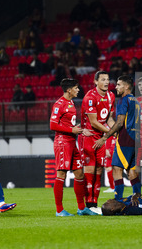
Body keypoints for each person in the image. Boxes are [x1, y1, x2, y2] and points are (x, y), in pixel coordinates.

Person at [50, 78, 97, 217]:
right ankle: (59, 210)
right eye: (76, 88)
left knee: (79, 174)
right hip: (62, 142)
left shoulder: (70, 103)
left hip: (72, 142)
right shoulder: (59, 104)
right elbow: (53, 125)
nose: (78, 90)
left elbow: (69, 125)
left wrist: (81, 130)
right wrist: (72, 131)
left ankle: (81, 208)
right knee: (61, 175)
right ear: (69, 90)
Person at [94, 75, 141, 202]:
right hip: (135, 139)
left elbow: (120, 122)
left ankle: (118, 200)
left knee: (116, 169)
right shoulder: (136, 101)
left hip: (125, 139)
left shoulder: (123, 100)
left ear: (126, 86)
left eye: (119, 84)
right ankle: (138, 196)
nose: (116, 87)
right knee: (131, 171)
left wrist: (106, 137)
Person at [79, 71, 116, 214]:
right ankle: (87, 205)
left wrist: (116, 129)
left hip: (101, 137)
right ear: (95, 82)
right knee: (89, 171)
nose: (106, 82)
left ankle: (94, 203)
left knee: (99, 171)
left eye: (108, 79)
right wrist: (110, 132)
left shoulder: (110, 96)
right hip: (88, 137)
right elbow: (93, 122)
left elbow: (109, 119)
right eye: (103, 79)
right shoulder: (90, 97)